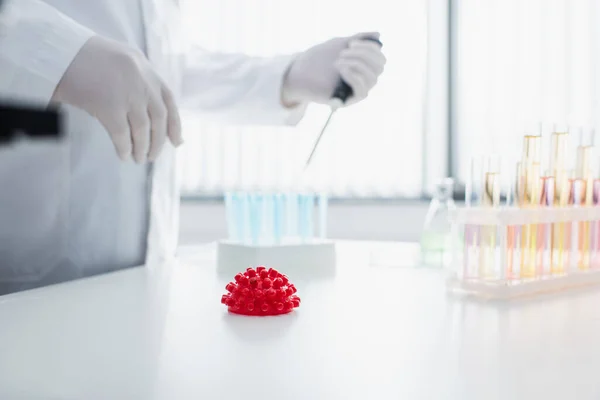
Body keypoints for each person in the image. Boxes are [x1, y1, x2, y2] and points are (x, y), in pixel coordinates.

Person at [0, 0, 386, 295]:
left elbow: (164, 71)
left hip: (141, 283)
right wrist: (62, 51)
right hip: (27, 286)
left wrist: (286, 76)